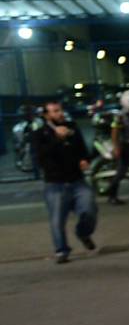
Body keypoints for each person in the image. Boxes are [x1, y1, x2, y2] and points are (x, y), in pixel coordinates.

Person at [32, 101, 98, 264]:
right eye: (54, 111)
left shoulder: (72, 128)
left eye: (60, 110)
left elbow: (83, 149)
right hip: (55, 184)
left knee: (89, 210)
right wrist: (56, 138)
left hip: (77, 181)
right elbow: (39, 156)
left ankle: (83, 233)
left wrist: (84, 159)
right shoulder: (40, 134)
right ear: (47, 115)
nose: (59, 114)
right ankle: (62, 250)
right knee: (57, 220)